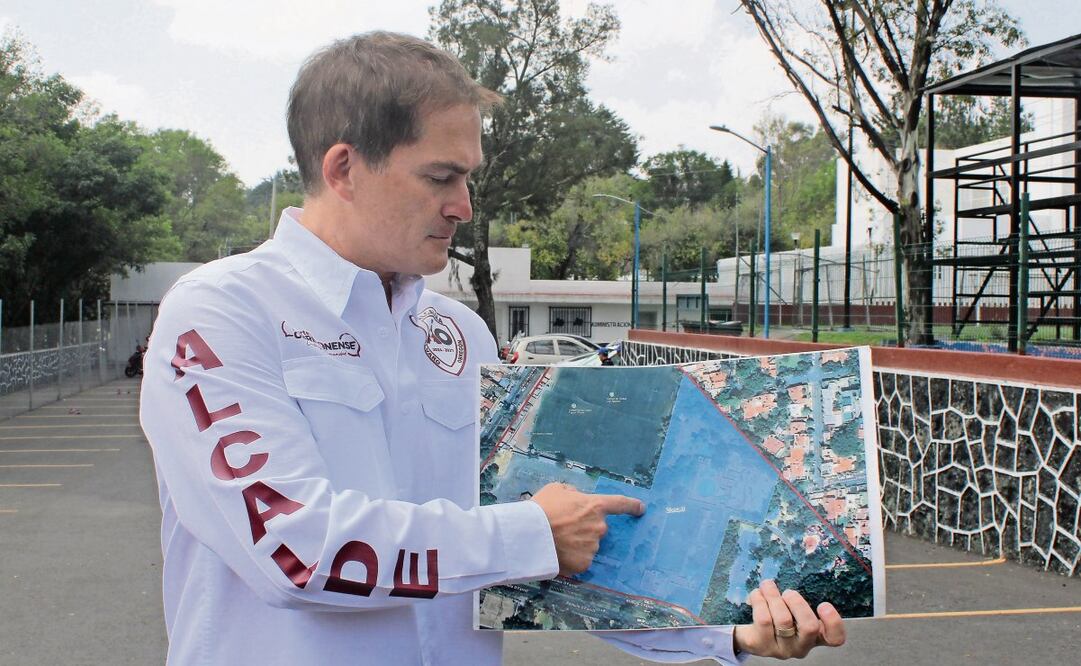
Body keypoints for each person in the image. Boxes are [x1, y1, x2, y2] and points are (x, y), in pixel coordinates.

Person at [139, 32, 845, 665]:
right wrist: (529, 533)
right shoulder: (220, 313)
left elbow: (553, 556)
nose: (464, 206)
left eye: (468, 178)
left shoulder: (458, 333)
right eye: (441, 177)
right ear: (344, 169)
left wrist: (721, 632)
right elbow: (294, 551)